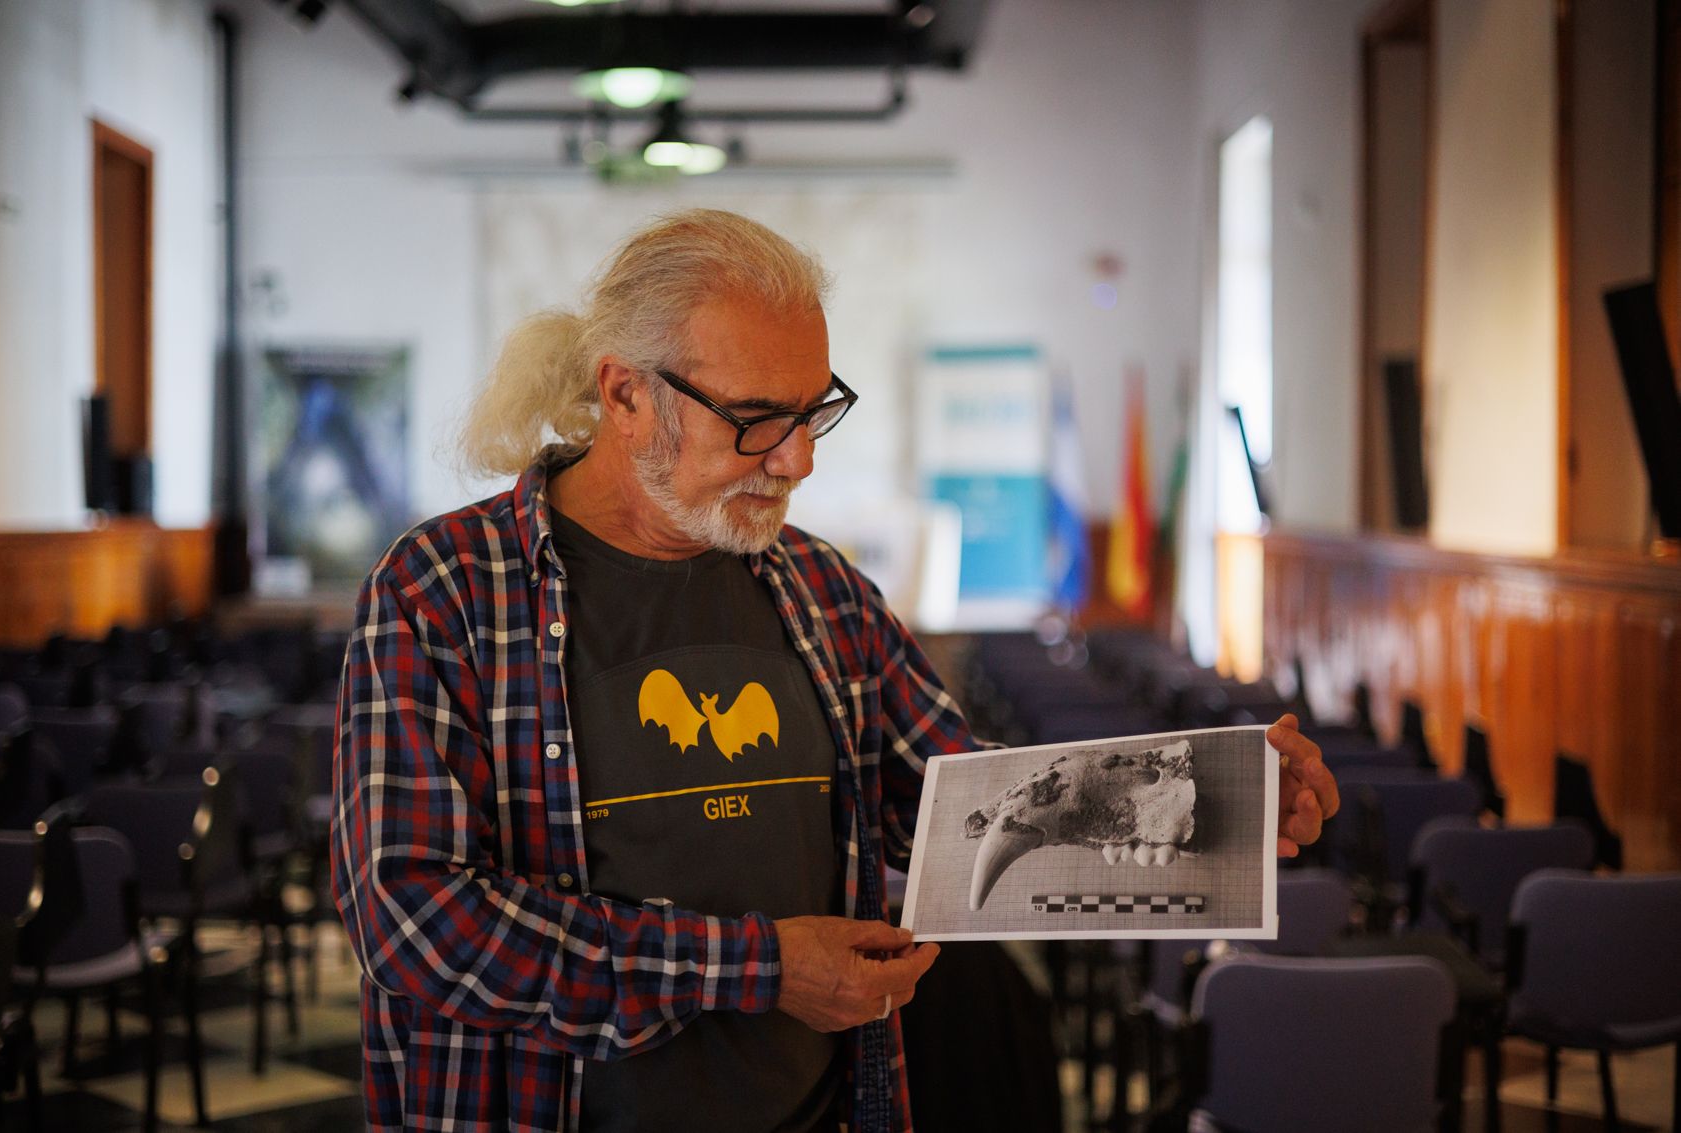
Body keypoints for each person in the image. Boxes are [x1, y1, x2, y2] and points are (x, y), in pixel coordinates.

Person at [330, 208, 1340, 1133]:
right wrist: (759, 968)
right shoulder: (442, 592)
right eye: (757, 418)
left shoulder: (814, 585)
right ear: (625, 392)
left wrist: (1214, 805)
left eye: (815, 411)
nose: (797, 458)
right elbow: (415, 920)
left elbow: (966, 810)